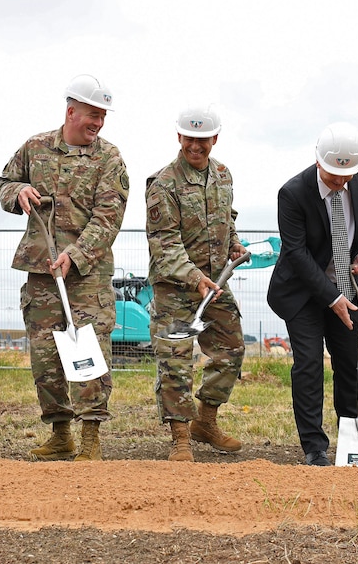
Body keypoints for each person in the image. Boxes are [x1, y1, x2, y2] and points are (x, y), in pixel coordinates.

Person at [0, 74, 129, 462]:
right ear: (71, 111)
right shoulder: (34, 148)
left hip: (86, 276)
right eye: (92, 115)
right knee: (46, 357)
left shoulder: (109, 158)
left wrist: (76, 255)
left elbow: (108, 217)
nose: (98, 124)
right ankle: (60, 434)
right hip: (41, 274)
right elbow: (5, 181)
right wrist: (17, 192)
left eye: (102, 117)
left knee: (89, 353)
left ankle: (90, 437)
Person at [267, 122, 358, 466]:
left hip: (348, 285)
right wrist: (331, 298)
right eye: (334, 178)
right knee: (309, 364)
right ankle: (314, 446)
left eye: (347, 177)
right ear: (319, 162)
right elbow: (297, 254)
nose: (342, 183)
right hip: (303, 292)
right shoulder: (293, 193)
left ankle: (352, 440)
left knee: (349, 363)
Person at [146, 105, 248, 462]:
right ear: (179, 137)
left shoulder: (223, 175)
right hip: (176, 288)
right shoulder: (163, 183)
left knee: (232, 348)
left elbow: (227, 217)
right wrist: (194, 277)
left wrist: (234, 243)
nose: (196, 145)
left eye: (203, 139)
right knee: (175, 360)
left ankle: (206, 421)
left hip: (215, 283)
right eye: (189, 138)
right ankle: (180, 438)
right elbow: (164, 244)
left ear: (214, 139)